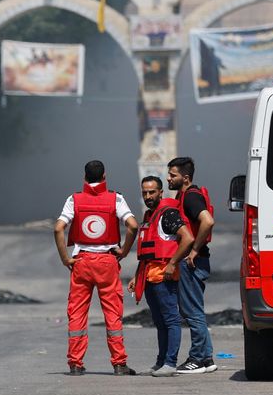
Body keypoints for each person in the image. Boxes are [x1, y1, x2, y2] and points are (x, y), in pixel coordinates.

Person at [53, 160, 139, 376]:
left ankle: (75, 363)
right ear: (104, 177)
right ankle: (119, 363)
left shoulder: (74, 200)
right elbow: (133, 226)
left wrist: (65, 258)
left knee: (77, 312)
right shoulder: (116, 199)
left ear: (84, 177)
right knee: (112, 313)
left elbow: (58, 228)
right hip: (108, 262)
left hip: (81, 261)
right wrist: (125, 250)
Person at [133, 176, 193, 377]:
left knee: (171, 320)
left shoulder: (168, 214)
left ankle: (170, 363)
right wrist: (136, 276)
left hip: (164, 278)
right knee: (159, 322)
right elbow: (146, 253)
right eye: (144, 193)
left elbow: (188, 238)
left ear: (160, 192)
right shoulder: (150, 216)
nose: (148, 196)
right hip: (149, 277)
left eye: (152, 192)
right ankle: (160, 362)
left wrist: (173, 263)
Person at [166, 156, 217, 374]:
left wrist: (194, 250)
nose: (168, 178)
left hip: (192, 262)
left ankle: (196, 358)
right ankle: (206, 359)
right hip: (196, 261)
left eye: (173, 175)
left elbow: (207, 221)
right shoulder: (186, 195)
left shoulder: (191, 198)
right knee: (194, 310)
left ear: (185, 178)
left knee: (192, 311)